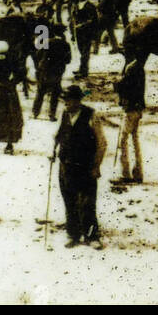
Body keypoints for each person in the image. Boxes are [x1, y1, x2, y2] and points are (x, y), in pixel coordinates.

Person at [53, 85, 107, 247]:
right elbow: (60, 133)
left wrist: (97, 166)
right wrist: (54, 149)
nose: (65, 105)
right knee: (69, 200)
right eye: (64, 102)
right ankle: (73, 235)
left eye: (68, 101)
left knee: (87, 201)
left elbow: (102, 143)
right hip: (66, 165)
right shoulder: (65, 114)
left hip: (85, 166)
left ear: (77, 101)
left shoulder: (91, 116)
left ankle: (92, 236)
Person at [113, 58, 146, 184]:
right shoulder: (139, 66)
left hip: (130, 108)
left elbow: (125, 86)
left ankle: (125, 173)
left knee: (123, 139)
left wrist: (117, 84)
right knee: (134, 139)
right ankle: (138, 172)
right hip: (138, 108)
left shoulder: (131, 67)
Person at [32, 25, 71, 119]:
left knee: (40, 92)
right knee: (55, 93)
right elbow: (68, 60)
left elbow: (37, 56)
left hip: (45, 71)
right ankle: (51, 114)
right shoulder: (65, 44)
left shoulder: (46, 42)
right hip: (57, 72)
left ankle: (35, 113)